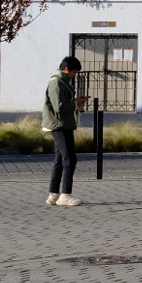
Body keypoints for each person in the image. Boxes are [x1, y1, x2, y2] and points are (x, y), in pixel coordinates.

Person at [43, 56, 86, 207]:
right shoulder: (56, 82)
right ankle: (65, 195)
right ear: (66, 69)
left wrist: (75, 102)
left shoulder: (62, 82)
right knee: (69, 159)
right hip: (59, 125)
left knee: (60, 159)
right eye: (74, 72)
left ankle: (54, 194)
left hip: (63, 124)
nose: (74, 75)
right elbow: (59, 107)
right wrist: (76, 103)